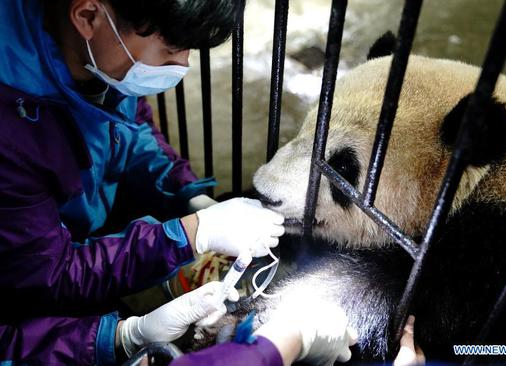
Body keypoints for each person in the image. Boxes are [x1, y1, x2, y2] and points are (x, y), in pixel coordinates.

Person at [0, 0, 303, 364]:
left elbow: (129, 127)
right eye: (172, 48)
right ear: (88, 16)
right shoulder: (11, 129)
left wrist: (186, 195)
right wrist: (186, 236)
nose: (184, 64)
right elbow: (46, 275)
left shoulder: (99, 58)